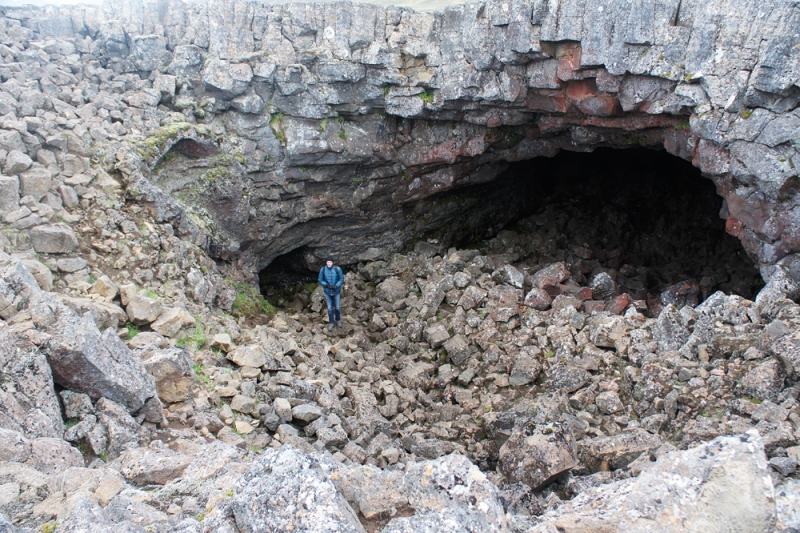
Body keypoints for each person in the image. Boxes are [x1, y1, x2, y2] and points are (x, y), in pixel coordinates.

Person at [318, 255, 344, 332]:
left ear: (332, 262)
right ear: (326, 262)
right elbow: (320, 279)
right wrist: (325, 284)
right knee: (329, 308)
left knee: (337, 307)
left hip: (336, 292)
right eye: (328, 262)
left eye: (330, 262)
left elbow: (341, 279)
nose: (329, 263)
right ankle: (331, 322)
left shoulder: (337, 269)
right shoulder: (323, 270)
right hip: (328, 292)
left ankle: (338, 320)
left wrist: (337, 285)